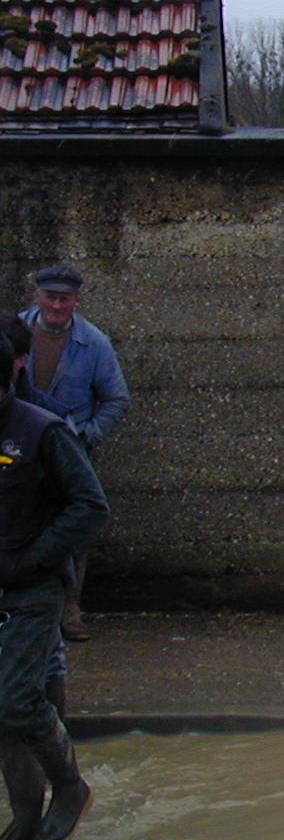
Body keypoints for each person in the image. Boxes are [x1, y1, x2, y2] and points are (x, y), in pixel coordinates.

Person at [0, 332, 108, 840]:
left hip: (32, 587)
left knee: (18, 700)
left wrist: (35, 557)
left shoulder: (42, 431)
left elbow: (89, 505)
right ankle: (23, 814)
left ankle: (70, 785)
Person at [17, 265, 130, 641]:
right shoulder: (15, 332)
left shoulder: (94, 343)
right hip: (18, 445)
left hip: (67, 447)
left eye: (65, 299)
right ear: (37, 297)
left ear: (75, 302)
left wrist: (86, 437)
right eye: (50, 296)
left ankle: (69, 608)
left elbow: (116, 398)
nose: (57, 305)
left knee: (74, 527)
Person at [2, 319, 69, 722]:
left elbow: (84, 504)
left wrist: (39, 557)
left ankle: (61, 766)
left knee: (45, 664)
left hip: (31, 573)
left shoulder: (45, 422)